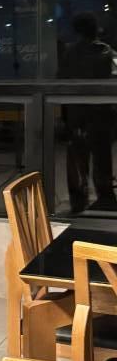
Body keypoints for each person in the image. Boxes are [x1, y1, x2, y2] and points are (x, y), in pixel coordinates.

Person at [58, 12, 117, 213]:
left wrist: (65, 116)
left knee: (77, 159)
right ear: (95, 29)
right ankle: (106, 199)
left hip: (77, 114)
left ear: (76, 30)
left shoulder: (70, 53)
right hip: (102, 115)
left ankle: (78, 200)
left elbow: (61, 82)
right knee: (102, 158)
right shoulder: (107, 52)